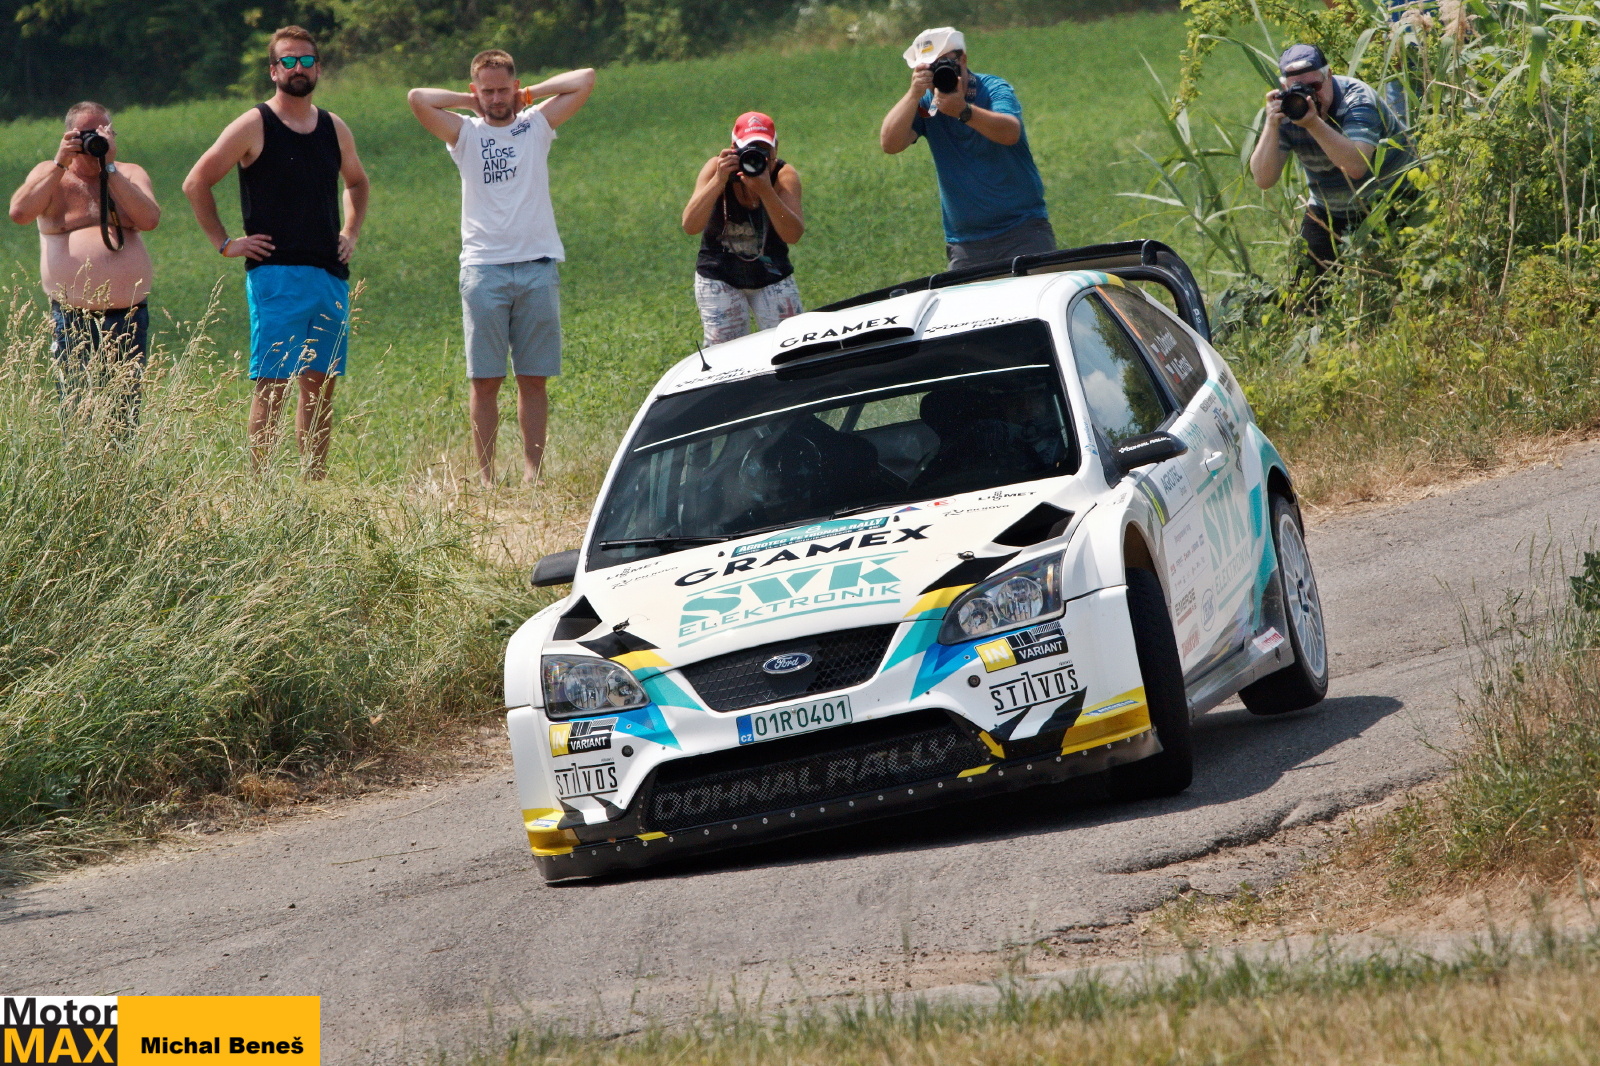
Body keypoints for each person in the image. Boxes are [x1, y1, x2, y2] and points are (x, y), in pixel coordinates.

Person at [182, 25, 369, 479]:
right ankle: (262, 487)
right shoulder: (254, 124)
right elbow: (196, 182)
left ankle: (313, 484)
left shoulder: (334, 127)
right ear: (273, 70)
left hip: (329, 272)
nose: (297, 68)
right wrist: (225, 243)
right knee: (273, 385)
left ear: (318, 68)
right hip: (275, 274)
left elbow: (357, 183)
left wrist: (350, 231)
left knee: (320, 387)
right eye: (288, 61)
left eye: (306, 60)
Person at [408, 52, 594, 487]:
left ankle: (533, 473)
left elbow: (585, 78)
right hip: (483, 270)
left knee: (533, 378)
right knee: (485, 380)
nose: (496, 99)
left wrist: (531, 94)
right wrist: (467, 101)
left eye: (503, 89)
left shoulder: (536, 124)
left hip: (537, 265)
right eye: (487, 91)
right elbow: (418, 98)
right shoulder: (464, 133)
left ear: (515, 86)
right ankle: (487, 478)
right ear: (475, 91)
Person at [8, 101, 161, 430]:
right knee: (76, 406)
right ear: (69, 136)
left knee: (124, 409)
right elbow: (19, 213)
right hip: (72, 317)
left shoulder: (129, 173)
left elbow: (149, 219)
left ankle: (120, 461)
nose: (94, 140)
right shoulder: (50, 174)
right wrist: (60, 162)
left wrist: (110, 168)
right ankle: (79, 461)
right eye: (86, 134)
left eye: (103, 132)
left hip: (128, 314)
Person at [880, 26, 1053, 271]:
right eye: (928, 68)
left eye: (943, 64)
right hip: (965, 242)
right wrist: (913, 94)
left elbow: (1010, 133)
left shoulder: (991, 89)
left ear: (963, 60)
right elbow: (890, 144)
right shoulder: (928, 106)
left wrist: (963, 111)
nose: (937, 73)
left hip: (1023, 230)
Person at [1249, 43, 1414, 278]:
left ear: (1329, 75)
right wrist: (1271, 124)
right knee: (1309, 292)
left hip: (1395, 202)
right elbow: (1263, 179)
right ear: (1284, 87)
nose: (1309, 96)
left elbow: (1356, 166)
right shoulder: (1287, 109)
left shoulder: (1356, 97)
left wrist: (1312, 123)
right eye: (1298, 88)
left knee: (1402, 282)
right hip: (1330, 210)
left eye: (1314, 86)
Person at [681, 112, 805, 345]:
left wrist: (766, 191)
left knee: (792, 343)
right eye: (748, 149)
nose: (757, 157)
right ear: (733, 149)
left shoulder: (784, 175)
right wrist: (718, 181)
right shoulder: (716, 170)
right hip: (719, 275)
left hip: (772, 273)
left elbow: (793, 234)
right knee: (725, 351)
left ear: (776, 149)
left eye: (764, 150)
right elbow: (690, 225)